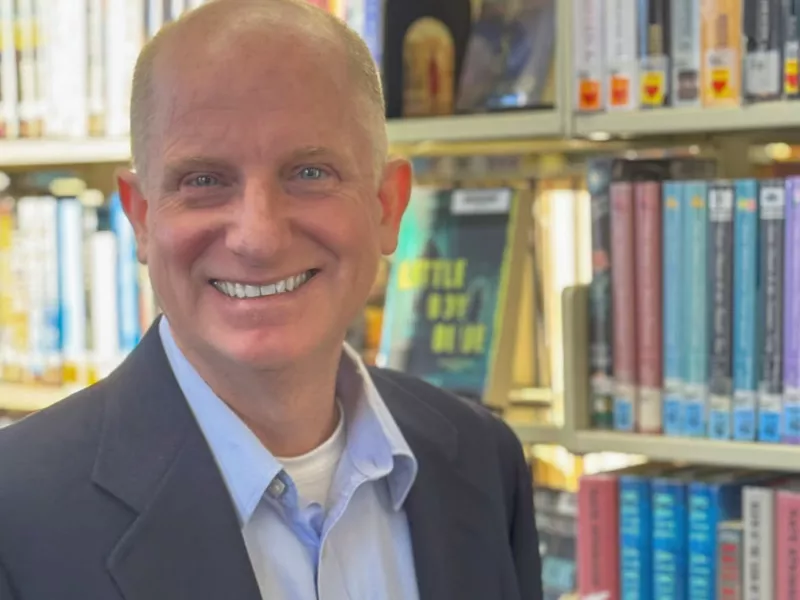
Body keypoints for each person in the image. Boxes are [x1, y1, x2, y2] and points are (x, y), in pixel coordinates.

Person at [0, 1, 543, 598]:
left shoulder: (483, 461)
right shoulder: (16, 511)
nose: (257, 238)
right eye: (204, 180)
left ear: (387, 205)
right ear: (142, 220)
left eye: (309, 173)